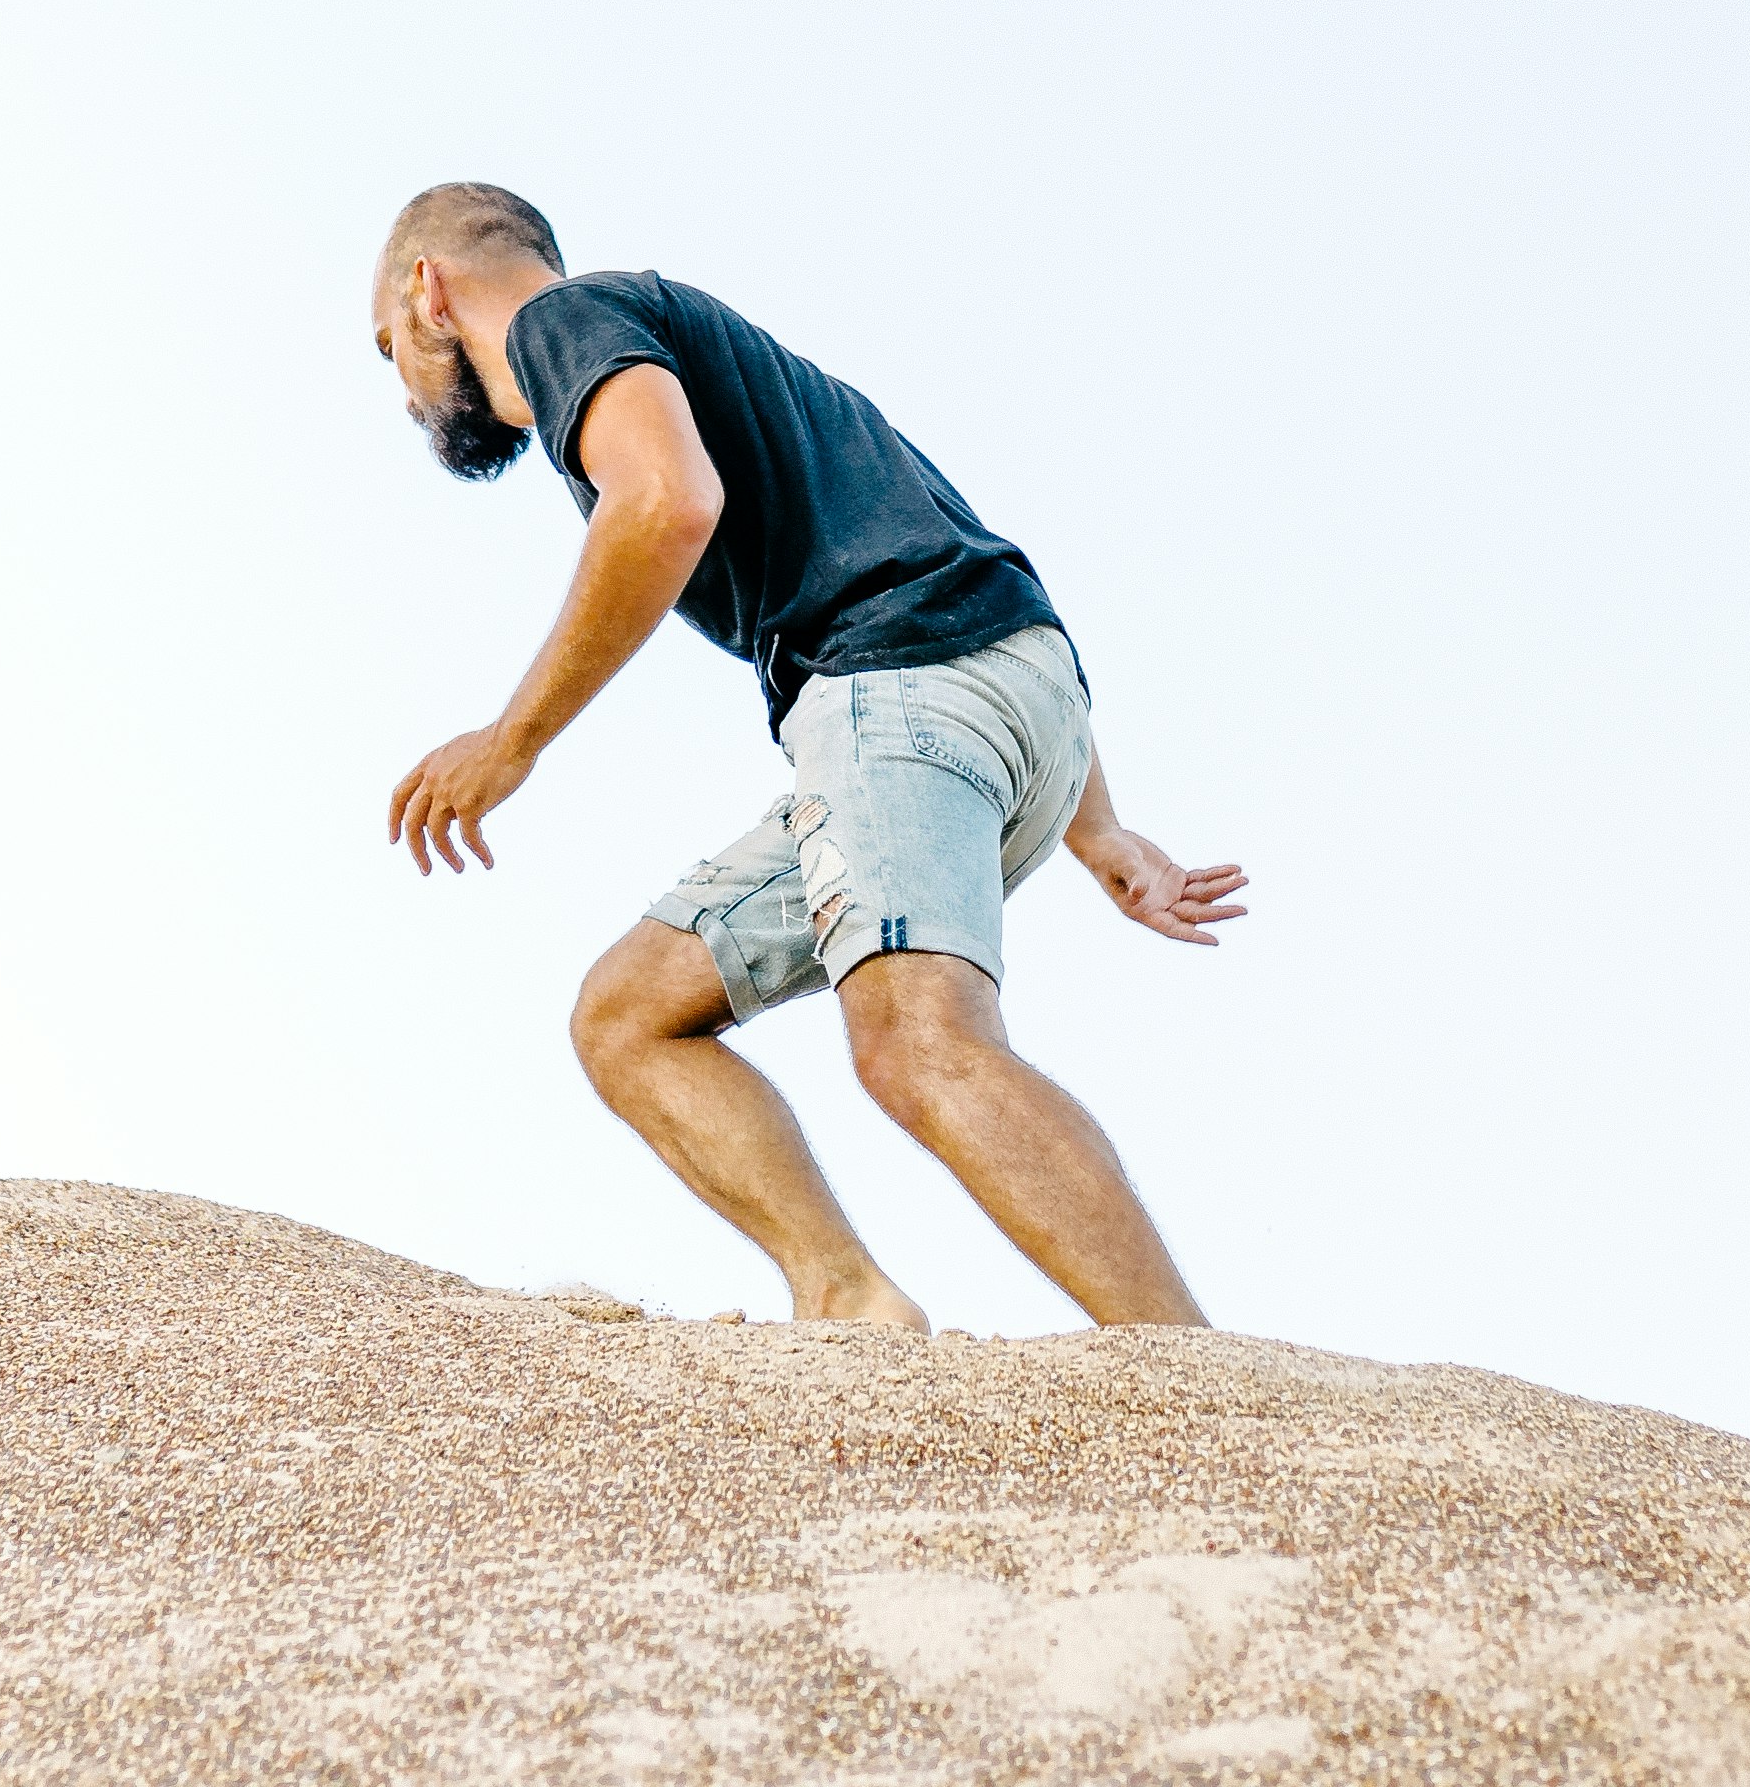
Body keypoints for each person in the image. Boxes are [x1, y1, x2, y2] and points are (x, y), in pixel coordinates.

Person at [368, 179, 1240, 1332]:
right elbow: (971, 563)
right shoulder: (724, 365)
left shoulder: (561, 322)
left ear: (430, 292)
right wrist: (1102, 833)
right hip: (1000, 705)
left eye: (389, 349)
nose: (407, 390)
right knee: (626, 1016)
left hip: (899, 692)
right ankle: (845, 1293)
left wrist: (511, 740)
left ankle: (1200, 1377)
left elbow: (669, 505)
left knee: (919, 1041)